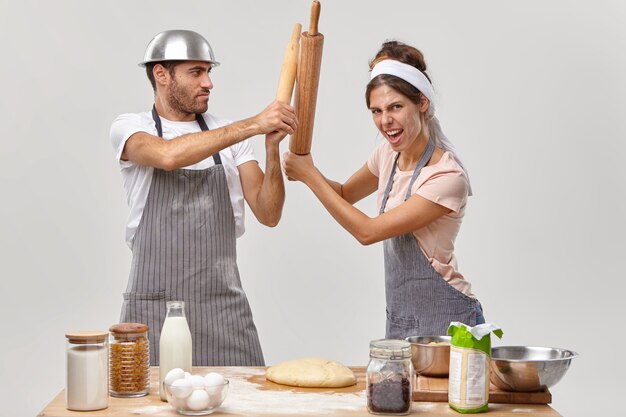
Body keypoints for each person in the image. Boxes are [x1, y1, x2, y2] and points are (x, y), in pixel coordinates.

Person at [110, 30, 297, 366]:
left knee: (243, 404)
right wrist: (253, 124)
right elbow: (167, 156)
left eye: (209, 71)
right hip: (154, 310)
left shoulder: (232, 136)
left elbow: (269, 213)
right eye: (196, 72)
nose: (208, 82)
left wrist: (271, 148)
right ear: (162, 74)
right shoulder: (130, 128)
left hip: (222, 309)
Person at [283, 40, 484, 339]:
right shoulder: (387, 156)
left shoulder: (446, 177)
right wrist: (303, 163)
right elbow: (343, 194)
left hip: (449, 323)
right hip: (402, 320)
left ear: (422, 103)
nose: (385, 121)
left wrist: (309, 175)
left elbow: (368, 232)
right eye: (376, 111)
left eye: (395, 107)